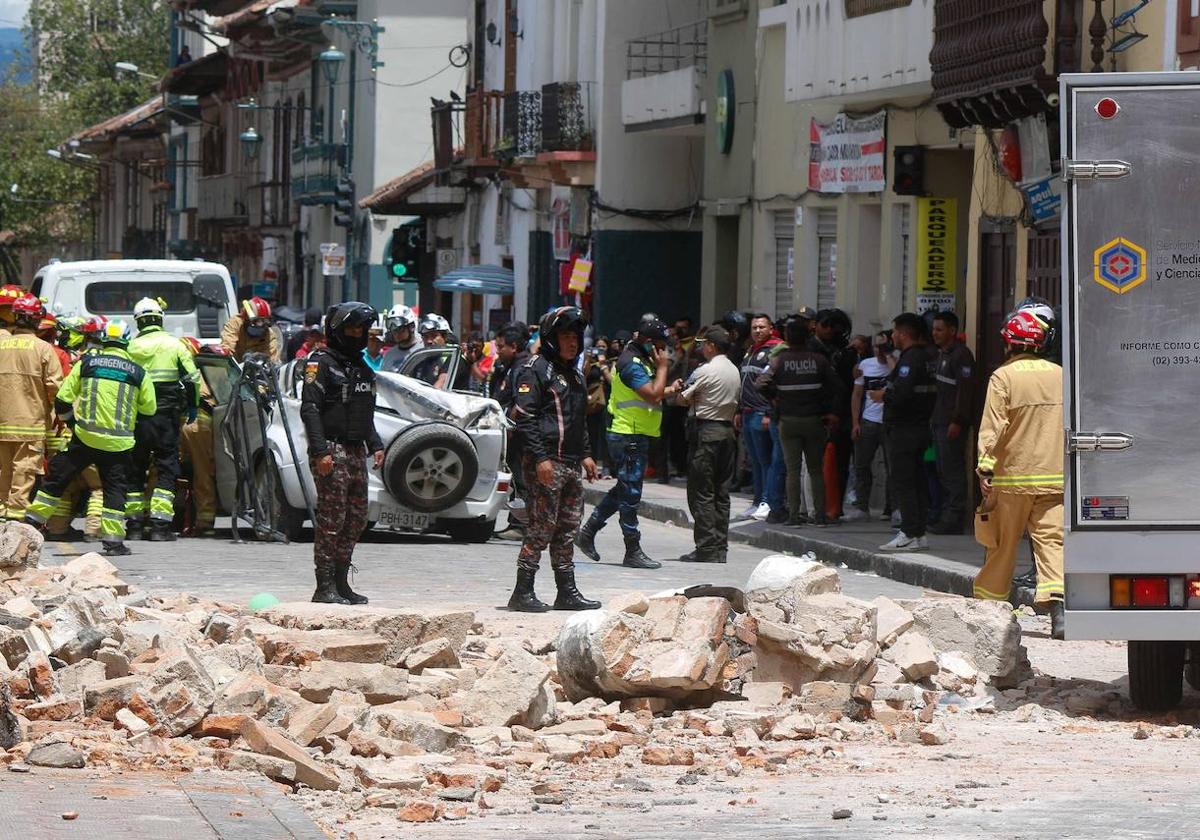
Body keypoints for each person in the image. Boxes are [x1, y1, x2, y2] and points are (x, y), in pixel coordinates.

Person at [25, 321, 156, 556]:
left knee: (57, 479)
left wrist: (73, 424)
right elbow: (149, 410)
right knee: (114, 491)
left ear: (104, 338)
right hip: (118, 444)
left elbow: (63, 399)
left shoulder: (87, 364)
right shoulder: (138, 371)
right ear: (126, 339)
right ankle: (113, 542)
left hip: (84, 439)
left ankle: (32, 523)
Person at [974, 309, 1065, 639]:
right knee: (1052, 544)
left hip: (1012, 479)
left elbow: (993, 426)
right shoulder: (1060, 375)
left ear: (1009, 342)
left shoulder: (1003, 377)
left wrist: (985, 465)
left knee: (1002, 545)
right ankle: (1059, 612)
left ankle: (990, 611)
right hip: (1054, 476)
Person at [508, 306, 599, 612]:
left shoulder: (573, 373)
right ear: (550, 338)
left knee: (568, 528)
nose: (572, 342)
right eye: (565, 336)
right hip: (546, 463)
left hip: (571, 464)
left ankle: (567, 591)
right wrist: (540, 458)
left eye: (576, 336)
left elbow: (578, 420)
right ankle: (522, 592)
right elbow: (525, 418)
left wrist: (586, 454)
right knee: (541, 527)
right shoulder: (534, 370)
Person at [300, 302, 385, 606]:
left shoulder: (362, 368)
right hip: (331, 450)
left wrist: (376, 445)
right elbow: (310, 409)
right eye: (351, 328)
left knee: (357, 517)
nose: (357, 334)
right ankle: (324, 585)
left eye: (361, 329)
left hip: (355, 448)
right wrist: (321, 450)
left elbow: (366, 413)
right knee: (332, 518)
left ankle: (340, 580)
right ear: (337, 331)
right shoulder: (320, 363)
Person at [575, 316, 676, 569]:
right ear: (650, 342)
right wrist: (663, 367)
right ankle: (632, 550)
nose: (664, 350)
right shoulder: (631, 363)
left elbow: (650, 392)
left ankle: (588, 532)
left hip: (636, 432)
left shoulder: (639, 359)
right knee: (631, 495)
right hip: (628, 435)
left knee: (623, 488)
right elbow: (651, 395)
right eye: (661, 345)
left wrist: (671, 389)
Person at [125, 298, 201, 541]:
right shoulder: (175, 345)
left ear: (138, 322)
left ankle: (134, 525)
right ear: (160, 319)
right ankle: (159, 526)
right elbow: (192, 379)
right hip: (167, 419)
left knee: (135, 469)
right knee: (167, 468)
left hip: (137, 419)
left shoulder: (130, 347)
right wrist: (193, 406)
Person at [757, 316, 843, 527]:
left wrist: (775, 397)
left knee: (792, 470)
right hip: (814, 420)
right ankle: (820, 516)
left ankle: (794, 516)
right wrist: (831, 411)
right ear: (808, 336)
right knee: (815, 469)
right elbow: (838, 387)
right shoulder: (819, 360)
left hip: (788, 420)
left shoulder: (779, 360)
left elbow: (760, 383)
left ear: (787, 337)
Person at [673, 325, 741, 562]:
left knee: (702, 492)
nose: (701, 348)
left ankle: (706, 548)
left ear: (711, 346)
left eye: (703, 344)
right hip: (727, 432)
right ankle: (720, 547)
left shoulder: (706, 370)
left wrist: (679, 393)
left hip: (706, 433)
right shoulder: (734, 370)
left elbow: (682, 399)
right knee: (722, 492)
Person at [873, 313, 937, 551]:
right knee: (917, 480)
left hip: (905, 428)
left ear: (904, 333)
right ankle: (918, 532)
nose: (892, 336)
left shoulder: (912, 359)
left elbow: (901, 394)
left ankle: (909, 531)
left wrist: (882, 396)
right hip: (919, 427)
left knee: (905, 482)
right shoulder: (928, 356)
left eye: (895, 332)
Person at [0, 294, 63, 521]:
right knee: (24, 472)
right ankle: (16, 521)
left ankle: (2, 517)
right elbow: (56, 389)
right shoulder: (44, 349)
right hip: (31, 424)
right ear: (37, 320)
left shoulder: (1, 344)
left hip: (2, 424)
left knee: (4, 472)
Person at [928, 311, 976, 535]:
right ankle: (944, 514)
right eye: (934, 329)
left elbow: (965, 392)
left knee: (952, 470)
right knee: (941, 468)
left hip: (951, 424)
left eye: (939, 329)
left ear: (952, 331)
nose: (935, 333)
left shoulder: (961, 355)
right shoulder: (942, 354)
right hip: (938, 421)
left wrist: (957, 420)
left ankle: (954, 518)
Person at [736, 313, 785, 522]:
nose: (757, 331)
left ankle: (767, 501)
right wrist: (738, 410)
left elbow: (771, 386)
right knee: (754, 461)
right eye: (754, 327)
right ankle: (757, 500)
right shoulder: (751, 350)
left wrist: (767, 413)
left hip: (761, 413)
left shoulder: (775, 350)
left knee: (766, 461)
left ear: (771, 328)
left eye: (761, 327)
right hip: (747, 412)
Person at [809, 308, 856, 518]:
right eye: (825, 325)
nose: (829, 330)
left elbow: (846, 384)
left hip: (842, 414)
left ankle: (834, 507)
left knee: (840, 463)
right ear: (816, 325)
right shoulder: (809, 349)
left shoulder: (844, 350)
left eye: (833, 326)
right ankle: (816, 507)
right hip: (815, 413)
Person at [846, 331, 895, 521]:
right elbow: (857, 395)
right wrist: (855, 422)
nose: (879, 351)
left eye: (882, 346)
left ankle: (891, 508)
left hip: (889, 422)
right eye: (876, 346)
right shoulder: (865, 365)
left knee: (893, 467)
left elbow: (898, 375)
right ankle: (862, 506)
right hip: (868, 421)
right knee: (861, 465)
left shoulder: (896, 363)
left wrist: (889, 355)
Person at [490, 322, 531, 542]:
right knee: (516, 478)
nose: (498, 350)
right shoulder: (510, 366)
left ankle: (521, 525)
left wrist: (510, 426)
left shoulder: (524, 368)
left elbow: (521, 403)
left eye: (501, 346)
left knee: (520, 480)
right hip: (512, 433)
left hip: (520, 434)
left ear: (514, 346)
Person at [178, 338, 219, 537]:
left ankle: (160, 520)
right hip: (199, 425)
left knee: (167, 472)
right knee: (203, 471)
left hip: (175, 425)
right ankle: (205, 520)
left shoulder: (170, 371)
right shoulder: (204, 374)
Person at [221, 296, 280, 362]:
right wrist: (227, 353)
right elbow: (228, 343)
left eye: (265, 321)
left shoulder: (269, 335)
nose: (262, 325)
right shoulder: (236, 323)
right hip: (235, 367)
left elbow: (271, 358)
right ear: (246, 319)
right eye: (258, 321)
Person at [380, 304, 423, 371]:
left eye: (400, 328)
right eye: (393, 329)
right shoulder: (389, 355)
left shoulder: (423, 350)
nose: (396, 333)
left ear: (412, 327)